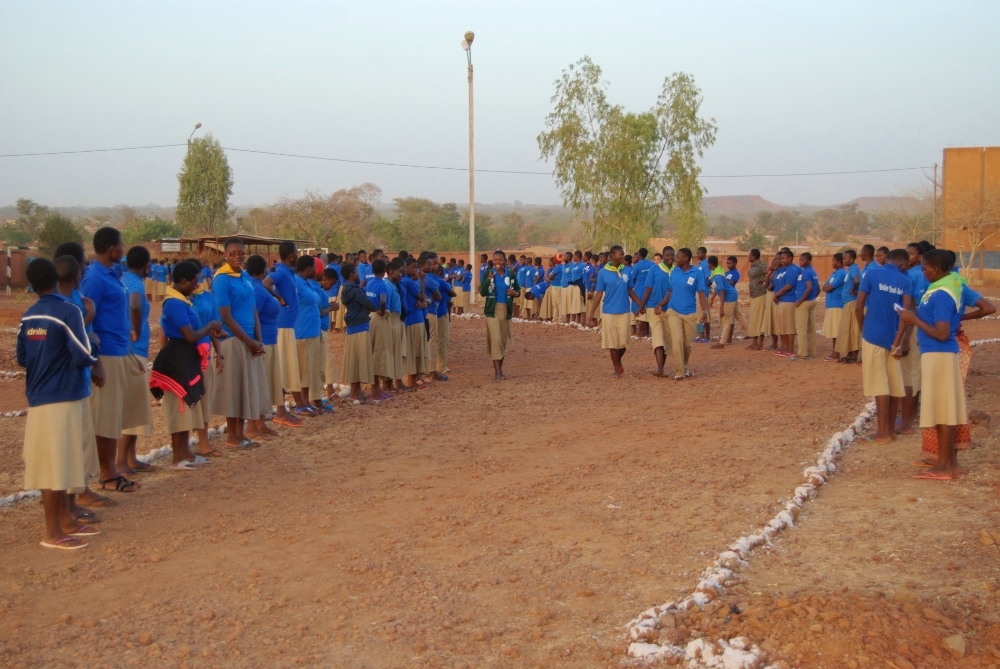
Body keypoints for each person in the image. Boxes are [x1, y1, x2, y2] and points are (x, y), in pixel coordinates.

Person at [18, 258, 101, 550]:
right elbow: (81, 352)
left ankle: (65, 520)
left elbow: (22, 357)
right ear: (56, 277)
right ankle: (52, 532)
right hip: (64, 393)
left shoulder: (29, 316)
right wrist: (95, 357)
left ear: (31, 285)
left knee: (57, 460)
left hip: (41, 395)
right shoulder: (68, 310)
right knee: (56, 463)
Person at [79, 227, 147, 495]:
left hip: (120, 352)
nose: (123, 249)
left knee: (115, 417)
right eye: (121, 245)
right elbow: (85, 320)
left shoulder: (114, 275)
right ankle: (106, 474)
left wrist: (129, 354)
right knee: (104, 418)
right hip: (105, 354)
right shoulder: (95, 278)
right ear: (113, 249)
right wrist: (95, 360)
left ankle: (112, 469)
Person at [896, 249, 968, 479]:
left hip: (939, 355)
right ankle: (947, 463)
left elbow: (942, 332)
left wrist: (913, 319)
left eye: (925, 268)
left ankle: (946, 465)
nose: (922, 272)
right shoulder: (940, 289)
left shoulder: (942, 294)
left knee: (943, 409)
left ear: (936, 269)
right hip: (936, 355)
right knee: (941, 408)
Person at [151, 261, 224, 470]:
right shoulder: (175, 303)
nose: (196, 285)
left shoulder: (183, 300)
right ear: (182, 281)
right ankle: (177, 457)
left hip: (185, 356)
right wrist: (209, 327)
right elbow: (190, 335)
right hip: (177, 357)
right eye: (193, 282)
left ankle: (186, 453)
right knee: (179, 408)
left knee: (187, 405)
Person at [211, 237, 267, 450]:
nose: (237, 256)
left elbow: (253, 309)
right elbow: (225, 316)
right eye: (233, 253)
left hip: (249, 339)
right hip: (233, 340)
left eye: (240, 252)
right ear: (225, 254)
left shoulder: (244, 277)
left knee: (244, 387)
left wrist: (258, 339)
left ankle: (240, 433)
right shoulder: (222, 279)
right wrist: (249, 341)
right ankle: (232, 436)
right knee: (233, 389)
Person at [856, 248, 912, 443]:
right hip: (893, 338)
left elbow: (858, 305)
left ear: (887, 259)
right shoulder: (906, 281)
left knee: (879, 384)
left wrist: (863, 329)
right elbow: (905, 316)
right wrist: (898, 342)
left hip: (873, 335)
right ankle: (889, 429)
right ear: (904, 264)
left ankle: (882, 433)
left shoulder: (871, 274)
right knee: (894, 383)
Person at [117, 246, 156, 474]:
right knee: (132, 406)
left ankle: (130, 457)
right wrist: (135, 329)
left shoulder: (122, 278)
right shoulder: (135, 284)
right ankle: (122, 461)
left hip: (130, 348)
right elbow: (133, 303)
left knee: (134, 406)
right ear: (146, 265)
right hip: (135, 350)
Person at [248, 254, 292, 432]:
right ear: (264, 270)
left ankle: (261, 422)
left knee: (266, 382)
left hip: (269, 339)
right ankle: (255, 424)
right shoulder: (257, 290)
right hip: (263, 340)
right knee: (261, 382)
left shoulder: (259, 287)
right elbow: (253, 315)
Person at [267, 241, 305, 418]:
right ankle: (285, 407)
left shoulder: (289, 272)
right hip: (283, 326)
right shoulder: (281, 272)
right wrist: (279, 298)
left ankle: (296, 404)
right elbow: (266, 283)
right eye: (296, 252)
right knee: (284, 366)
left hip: (290, 325)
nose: (298, 255)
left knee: (289, 365)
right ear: (291, 255)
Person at [587, 246, 633, 378]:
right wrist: (591, 313)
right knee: (612, 343)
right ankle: (617, 369)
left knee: (624, 343)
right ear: (612, 256)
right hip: (608, 311)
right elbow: (599, 293)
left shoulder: (627, 271)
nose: (622, 257)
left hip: (624, 310)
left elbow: (630, 290)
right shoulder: (603, 273)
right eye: (620, 254)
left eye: (623, 254)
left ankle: (618, 363)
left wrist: (640, 304)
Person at [897, 242, 928, 434]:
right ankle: (911, 413)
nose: (908, 257)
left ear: (920, 256)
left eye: (912, 253)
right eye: (906, 253)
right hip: (919, 325)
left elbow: (912, 305)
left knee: (909, 372)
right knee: (914, 370)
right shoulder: (914, 274)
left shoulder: (913, 275)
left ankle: (908, 417)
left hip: (912, 326)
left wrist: (906, 337)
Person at [291, 255, 329, 414]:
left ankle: (306, 402)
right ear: (307, 268)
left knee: (310, 370)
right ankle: (302, 403)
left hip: (312, 331)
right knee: (303, 370)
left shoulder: (306, 284)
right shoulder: (295, 283)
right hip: (302, 332)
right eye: (314, 267)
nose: (316, 270)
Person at [664, 248, 709, 379]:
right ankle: (679, 372)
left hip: (689, 313)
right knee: (677, 341)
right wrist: (661, 304)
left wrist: (704, 310)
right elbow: (670, 290)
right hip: (673, 311)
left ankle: (685, 367)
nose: (675, 260)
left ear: (685, 258)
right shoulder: (674, 272)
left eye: (678, 257)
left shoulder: (696, 273)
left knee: (687, 345)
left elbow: (701, 293)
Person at [340, 262, 378, 402]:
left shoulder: (345, 290)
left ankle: (356, 391)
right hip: (361, 325)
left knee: (353, 358)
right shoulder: (357, 291)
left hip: (351, 325)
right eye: (356, 272)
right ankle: (356, 392)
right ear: (351, 274)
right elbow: (372, 306)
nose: (358, 274)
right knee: (360, 358)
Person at [482, 249, 519, 381]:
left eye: (500, 260)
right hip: (492, 310)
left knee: (502, 341)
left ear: (505, 261)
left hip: (506, 310)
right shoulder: (489, 273)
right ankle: (497, 373)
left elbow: (518, 290)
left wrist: (515, 293)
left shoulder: (510, 274)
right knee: (496, 339)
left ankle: (500, 370)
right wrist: (487, 281)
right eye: (495, 260)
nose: (497, 262)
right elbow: (482, 292)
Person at [637, 246, 674, 375]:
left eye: (672, 255)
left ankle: (661, 366)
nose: (670, 257)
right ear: (663, 256)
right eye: (667, 255)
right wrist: (641, 307)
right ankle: (660, 368)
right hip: (654, 308)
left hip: (670, 310)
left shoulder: (676, 271)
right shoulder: (654, 269)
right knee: (658, 337)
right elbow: (648, 289)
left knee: (667, 339)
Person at [366, 258, 394, 401]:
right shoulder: (382, 286)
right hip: (380, 318)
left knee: (372, 351)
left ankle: (374, 387)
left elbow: (365, 299)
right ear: (384, 272)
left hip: (370, 317)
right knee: (379, 352)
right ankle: (376, 390)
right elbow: (383, 301)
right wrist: (382, 311)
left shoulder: (369, 283)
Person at [317, 264, 341, 403]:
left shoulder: (321, 292)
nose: (330, 287)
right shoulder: (319, 292)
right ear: (325, 278)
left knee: (324, 362)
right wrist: (330, 308)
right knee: (329, 360)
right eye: (330, 283)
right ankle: (330, 392)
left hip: (322, 330)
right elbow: (318, 311)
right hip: (317, 330)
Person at [771, 250, 800, 357]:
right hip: (780, 301)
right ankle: (784, 347)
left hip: (788, 300)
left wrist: (777, 295)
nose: (781, 261)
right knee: (782, 326)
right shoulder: (781, 270)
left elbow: (789, 286)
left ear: (790, 258)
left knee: (789, 326)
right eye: (780, 259)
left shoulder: (792, 270)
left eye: (784, 258)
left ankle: (790, 348)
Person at [835, 249, 862, 364]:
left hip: (852, 301)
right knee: (848, 329)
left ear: (852, 259)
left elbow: (857, 280)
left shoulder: (854, 268)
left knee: (853, 329)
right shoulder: (850, 269)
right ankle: (850, 353)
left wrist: (854, 290)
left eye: (845, 258)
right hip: (847, 302)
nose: (843, 260)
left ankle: (854, 355)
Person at [708, 256, 740, 350]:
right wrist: (711, 299)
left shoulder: (717, 276)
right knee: (738, 316)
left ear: (710, 264)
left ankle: (722, 343)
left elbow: (722, 292)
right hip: (730, 296)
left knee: (726, 320)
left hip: (729, 297)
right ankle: (751, 333)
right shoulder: (716, 272)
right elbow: (716, 288)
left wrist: (721, 308)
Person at [792, 252, 819, 359]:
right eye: (799, 259)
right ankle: (812, 352)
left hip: (804, 303)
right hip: (811, 301)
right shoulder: (813, 272)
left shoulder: (806, 273)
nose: (800, 262)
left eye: (802, 260)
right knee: (811, 328)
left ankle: (802, 353)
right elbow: (818, 289)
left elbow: (809, 288)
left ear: (808, 261)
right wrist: (812, 297)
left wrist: (800, 301)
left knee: (801, 328)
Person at [821, 254, 846, 362]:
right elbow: (824, 286)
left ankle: (836, 353)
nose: (832, 263)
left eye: (833, 261)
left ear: (839, 262)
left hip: (837, 304)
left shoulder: (841, 273)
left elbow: (829, 287)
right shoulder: (834, 273)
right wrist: (826, 288)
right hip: (831, 304)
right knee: (833, 329)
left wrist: (827, 288)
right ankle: (834, 352)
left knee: (836, 330)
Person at [745, 249, 769, 351]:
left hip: (760, 294)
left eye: (749, 255)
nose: (748, 257)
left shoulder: (761, 265)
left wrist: (763, 281)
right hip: (754, 295)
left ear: (753, 257)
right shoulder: (754, 265)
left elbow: (769, 273)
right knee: (754, 318)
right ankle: (754, 342)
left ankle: (760, 343)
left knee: (760, 318)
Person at [693, 247, 712, 343]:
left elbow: (709, 279)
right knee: (702, 313)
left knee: (703, 313)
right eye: (697, 253)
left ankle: (705, 336)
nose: (697, 255)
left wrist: (705, 287)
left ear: (704, 253)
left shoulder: (706, 265)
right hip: (699, 291)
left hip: (703, 292)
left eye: (699, 253)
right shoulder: (700, 264)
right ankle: (703, 335)